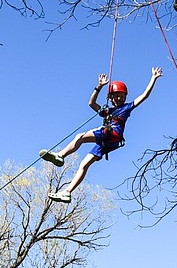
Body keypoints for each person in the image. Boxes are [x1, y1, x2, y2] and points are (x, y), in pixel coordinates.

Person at [40, 67, 163, 204]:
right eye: (117, 95)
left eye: (122, 96)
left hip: (112, 134)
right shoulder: (107, 111)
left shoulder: (126, 108)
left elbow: (144, 95)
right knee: (84, 165)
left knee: (80, 136)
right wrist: (99, 87)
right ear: (111, 97)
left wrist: (153, 78)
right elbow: (91, 103)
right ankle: (67, 192)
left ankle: (61, 155)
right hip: (108, 142)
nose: (120, 98)